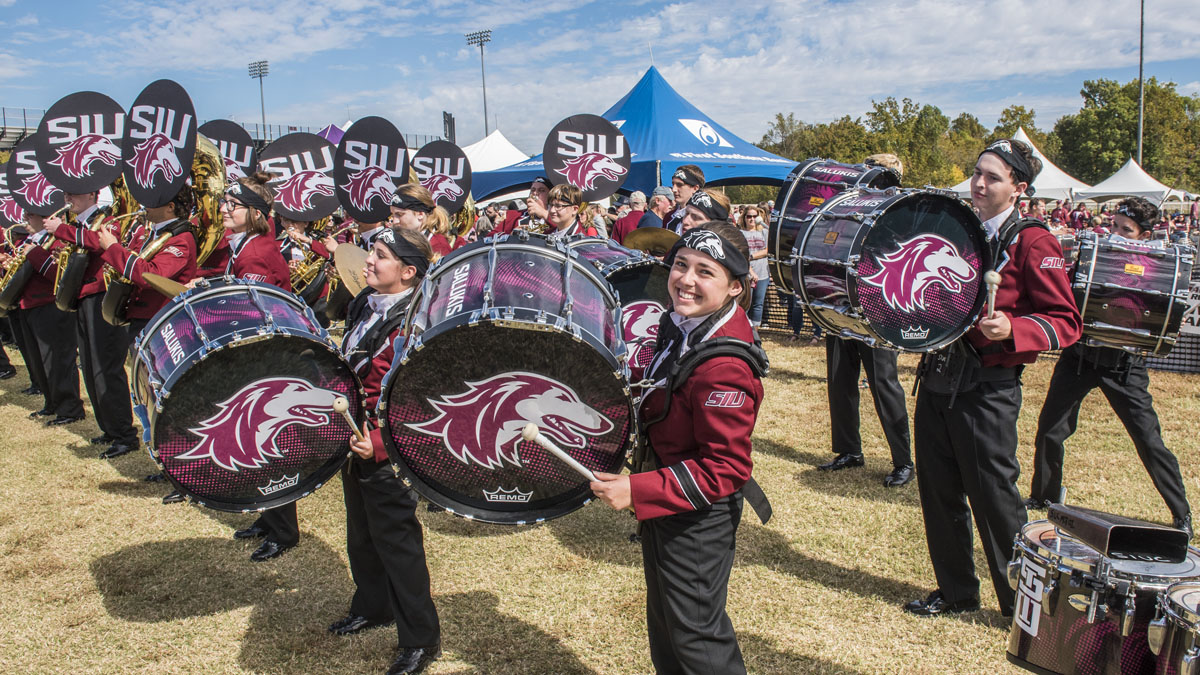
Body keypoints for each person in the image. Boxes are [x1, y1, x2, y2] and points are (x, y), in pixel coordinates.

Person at [905, 139, 1080, 618]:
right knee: (938, 492)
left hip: (988, 387)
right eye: (977, 173)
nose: (979, 184)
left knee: (995, 498)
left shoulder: (1034, 241)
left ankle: (1021, 604)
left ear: (1018, 188)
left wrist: (1014, 329)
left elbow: (1066, 322)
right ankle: (957, 591)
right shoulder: (958, 229)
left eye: (993, 177)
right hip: (939, 375)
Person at [591, 222, 765, 675]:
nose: (686, 279)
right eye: (681, 265)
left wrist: (639, 490)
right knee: (668, 625)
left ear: (735, 289)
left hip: (696, 518)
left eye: (705, 272)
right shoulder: (685, 326)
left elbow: (725, 468)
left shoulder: (723, 364)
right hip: (669, 502)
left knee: (697, 639)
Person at [1027, 197, 1192, 537]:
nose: (1114, 233)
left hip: (1124, 364)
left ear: (1144, 236)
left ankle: (1181, 514)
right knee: (1050, 430)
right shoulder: (1094, 256)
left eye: (1125, 230)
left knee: (1148, 439)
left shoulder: (1157, 268)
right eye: (1113, 225)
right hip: (1080, 357)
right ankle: (1043, 496)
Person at [334, 226, 441, 675]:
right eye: (371, 253)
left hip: (386, 447)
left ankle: (420, 638)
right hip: (352, 437)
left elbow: (418, 399)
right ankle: (372, 605)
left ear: (409, 271)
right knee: (361, 533)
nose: (368, 262)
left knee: (398, 542)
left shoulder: (417, 321)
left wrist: (377, 443)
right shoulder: (365, 302)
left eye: (379, 255)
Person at [198, 173, 298, 560]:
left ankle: (284, 530)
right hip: (259, 352)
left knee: (264, 442)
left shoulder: (256, 251)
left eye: (232, 204)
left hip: (265, 354)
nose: (224, 209)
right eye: (224, 202)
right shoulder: (246, 246)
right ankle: (268, 516)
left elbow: (250, 308)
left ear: (254, 213)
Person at [818, 152, 913, 487]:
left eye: (878, 173)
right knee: (840, 380)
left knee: (884, 384)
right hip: (843, 302)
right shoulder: (850, 206)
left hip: (877, 307)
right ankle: (848, 450)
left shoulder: (902, 208)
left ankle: (903, 460)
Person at [48, 190, 141, 458]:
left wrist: (62, 230)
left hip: (101, 296)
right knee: (89, 366)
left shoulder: (107, 219)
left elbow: (98, 242)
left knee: (106, 367)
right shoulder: (78, 224)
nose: (68, 198)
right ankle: (109, 428)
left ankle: (125, 434)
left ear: (92, 194)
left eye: (74, 194)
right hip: (82, 297)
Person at [16, 213, 85, 426]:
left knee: (57, 360)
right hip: (29, 305)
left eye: (30, 214)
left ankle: (70, 408)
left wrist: (34, 254)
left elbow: (58, 273)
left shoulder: (57, 240)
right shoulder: (31, 240)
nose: (25, 217)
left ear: (44, 216)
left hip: (50, 305)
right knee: (39, 361)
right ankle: (52, 402)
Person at [739, 205, 769, 327]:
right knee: (745, 304)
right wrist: (750, 271)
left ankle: (755, 333)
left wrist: (752, 256)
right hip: (746, 273)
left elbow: (768, 250)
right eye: (749, 216)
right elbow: (741, 254)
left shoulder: (764, 232)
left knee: (758, 304)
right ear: (744, 218)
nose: (752, 219)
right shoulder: (740, 233)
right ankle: (742, 330)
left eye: (754, 216)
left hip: (763, 273)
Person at [665, 165, 704, 234]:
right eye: (673, 184)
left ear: (695, 188)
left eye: (679, 185)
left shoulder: (702, 218)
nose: (674, 190)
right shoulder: (669, 217)